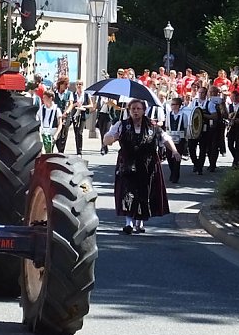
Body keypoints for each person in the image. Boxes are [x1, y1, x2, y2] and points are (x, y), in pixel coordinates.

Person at [103, 99, 177, 234]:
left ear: (144, 111)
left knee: (144, 192)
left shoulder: (153, 126)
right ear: (129, 110)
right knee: (128, 192)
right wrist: (110, 138)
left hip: (147, 164)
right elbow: (108, 138)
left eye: (138, 109)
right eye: (133, 109)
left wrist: (175, 151)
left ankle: (140, 222)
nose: (135, 111)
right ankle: (129, 223)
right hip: (127, 164)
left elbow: (165, 139)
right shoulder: (121, 125)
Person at [164, 97, 189, 184]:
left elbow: (185, 127)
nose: (172, 106)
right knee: (168, 156)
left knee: (177, 158)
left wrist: (185, 138)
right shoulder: (168, 115)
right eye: (171, 104)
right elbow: (167, 127)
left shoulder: (183, 116)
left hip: (180, 138)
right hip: (170, 138)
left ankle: (175, 176)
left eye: (173, 104)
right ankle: (172, 172)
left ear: (178, 106)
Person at [69, 80, 92, 156]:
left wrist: (84, 106)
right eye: (77, 84)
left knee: (80, 132)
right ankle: (77, 149)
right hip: (75, 114)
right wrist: (76, 104)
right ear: (75, 86)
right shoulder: (73, 94)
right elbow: (71, 105)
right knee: (76, 133)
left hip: (83, 114)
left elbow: (91, 105)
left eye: (81, 84)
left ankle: (80, 151)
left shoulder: (86, 95)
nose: (79, 86)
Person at [52, 76, 74, 153]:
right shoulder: (54, 94)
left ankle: (61, 151)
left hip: (66, 117)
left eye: (67, 84)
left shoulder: (69, 93)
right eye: (65, 84)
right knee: (57, 133)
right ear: (60, 84)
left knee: (64, 134)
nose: (66, 86)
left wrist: (67, 112)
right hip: (56, 117)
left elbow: (71, 104)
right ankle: (57, 149)